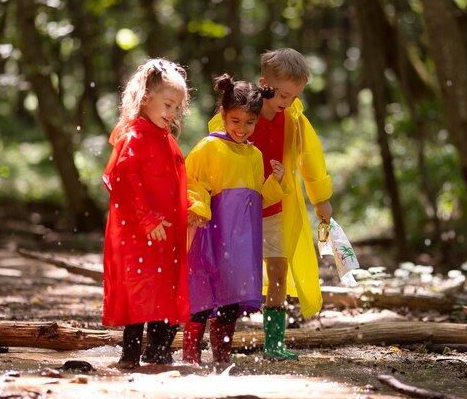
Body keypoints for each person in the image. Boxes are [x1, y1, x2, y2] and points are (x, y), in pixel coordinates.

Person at [208, 48, 333, 361]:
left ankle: (274, 343)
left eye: (294, 96)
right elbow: (214, 153)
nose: (287, 102)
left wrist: (321, 199)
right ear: (264, 83)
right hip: (240, 212)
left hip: (277, 207)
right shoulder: (239, 112)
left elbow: (311, 160)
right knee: (232, 273)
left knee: (278, 269)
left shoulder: (294, 121)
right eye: (283, 94)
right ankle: (221, 344)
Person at [184, 74, 288, 364]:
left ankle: (222, 358)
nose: (242, 129)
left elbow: (257, 199)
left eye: (249, 123)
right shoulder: (208, 147)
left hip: (242, 243)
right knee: (203, 298)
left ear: (257, 119)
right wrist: (198, 209)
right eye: (235, 121)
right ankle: (190, 358)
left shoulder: (254, 155)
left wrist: (274, 181)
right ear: (223, 115)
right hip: (211, 235)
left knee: (230, 302)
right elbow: (191, 182)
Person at [101, 58, 191, 370]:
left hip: (166, 232)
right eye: (168, 104)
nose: (172, 113)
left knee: (164, 285)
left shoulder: (163, 136)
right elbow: (124, 179)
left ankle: (159, 352)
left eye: (177, 108)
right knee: (141, 287)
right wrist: (147, 218)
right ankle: (130, 355)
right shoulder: (135, 135)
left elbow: (176, 181)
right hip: (140, 231)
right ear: (146, 98)